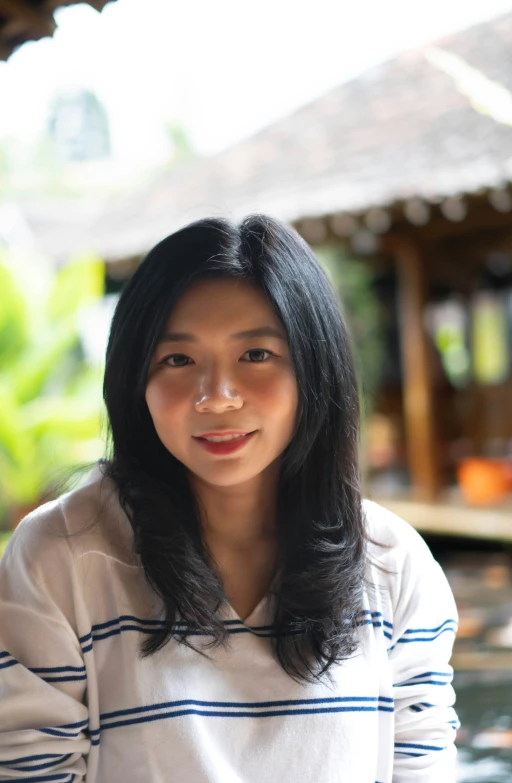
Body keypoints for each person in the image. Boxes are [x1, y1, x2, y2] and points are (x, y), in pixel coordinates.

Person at [0, 215, 459, 782]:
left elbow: (422, 766)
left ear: (315, 370)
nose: (216, 397)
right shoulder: (60, 558)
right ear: (134, 378)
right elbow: (30, 769)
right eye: (178, 360)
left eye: (256, 355)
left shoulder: (394, 564)